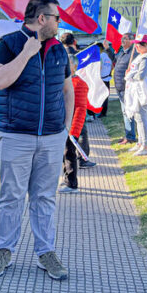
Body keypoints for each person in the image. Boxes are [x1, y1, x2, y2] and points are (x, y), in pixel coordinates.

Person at [0, 0, 74, 281]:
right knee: (11, 196)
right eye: (57, 18)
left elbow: (67, 90)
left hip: (51, 137)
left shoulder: (59, 50)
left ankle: (46, 253)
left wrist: (65, 129)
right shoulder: (9, 43)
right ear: (42, 18)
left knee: (45, 197)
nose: (59, 23)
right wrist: (26, 53)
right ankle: (4, 251)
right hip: (16, 136)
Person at [124, 34, 147, 156]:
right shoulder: (142, 57)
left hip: (144, 91)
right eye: (136, 44)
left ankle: (146, 146)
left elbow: (141, 75)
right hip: (138, 90)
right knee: (138, 118)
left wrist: (129, 75)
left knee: (141, 118)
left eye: (139, 44)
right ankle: (140, 143)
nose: (136, 46)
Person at [60, 62, 89, 194]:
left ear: (74, 67)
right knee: (64, 154)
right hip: (62, 126)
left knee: (69, 154)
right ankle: (67, 178)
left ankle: (72, 184)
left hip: (71, 127)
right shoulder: (64, 82)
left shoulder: (79, 84)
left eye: (68, 64)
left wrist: (74, 130)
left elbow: (80, 109)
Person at [113, 33, 137, 145]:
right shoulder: (122, 52)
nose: (122, 40)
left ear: (131, 41)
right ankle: (128, 134)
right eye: (122, 38)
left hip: (126, 88)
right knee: (125, 112)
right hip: (120, 87)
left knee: (128, 112)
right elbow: (115, 60)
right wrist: (108, 49)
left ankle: (130, 136)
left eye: (125, 39)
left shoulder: (133, 53)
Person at [97, 42, 113, 118]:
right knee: (105, 96)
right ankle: (104, 112)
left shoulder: (100, 56)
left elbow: (99, 67)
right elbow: (112, 66)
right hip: (107, 78)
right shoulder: (107, 56)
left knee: (101, 97)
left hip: (102, 79)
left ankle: (101, 113)